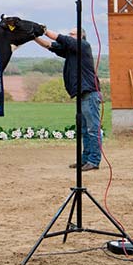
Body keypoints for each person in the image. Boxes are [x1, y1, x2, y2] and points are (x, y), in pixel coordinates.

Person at [35, 27, 102, 171]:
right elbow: (50, 45)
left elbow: (59, 38)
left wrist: (43, 30)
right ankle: (85, 160)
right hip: (82, 95)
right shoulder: (72, 51)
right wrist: (34, 37)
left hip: (89, 94)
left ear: (81, 36)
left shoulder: (83, 46)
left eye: (72, 34)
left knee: (92, 129)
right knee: (84, 130)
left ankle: (94, 160)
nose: (69, 36)